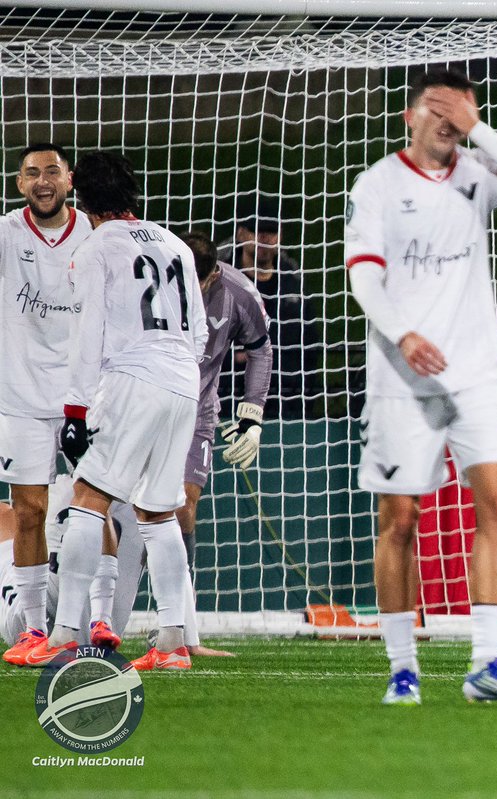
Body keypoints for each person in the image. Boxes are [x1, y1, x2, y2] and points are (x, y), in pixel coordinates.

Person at [345, 68, 497, 705]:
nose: (449, 123)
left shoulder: (476, 174)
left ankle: (487, 664)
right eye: (437, 110)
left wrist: (480, 130)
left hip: (475, 371)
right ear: (410, 116)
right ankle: (402, 668)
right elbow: (363, 277)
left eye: (460, 112)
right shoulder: (377, 184)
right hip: (401, 377)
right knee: (400, 518)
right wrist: (404, 334)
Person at [30, 150, 208, 672]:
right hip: (183, 382)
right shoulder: (175, 242)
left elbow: (88, 338)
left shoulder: (94, 250)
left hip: (133, 379)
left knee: (88, 498)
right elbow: (196, 331)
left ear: (82, 198)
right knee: (157, 510)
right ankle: (173, 642)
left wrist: (76, 410)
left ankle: (64, 634)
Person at [0, 143, 94, 667]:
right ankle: (34, 629)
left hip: (84, 394)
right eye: (32, 173)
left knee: (93, 506)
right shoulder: (7, 233)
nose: (42, 180)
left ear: (69, 179)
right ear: (19, 184)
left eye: (51, 172)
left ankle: (95, 623)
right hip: (20, 397)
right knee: (30, 511)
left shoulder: (95, 235)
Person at [172, 231, 273, 657]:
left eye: (202, 282)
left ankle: (180, 630)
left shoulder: (239, 292)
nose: (193, 290)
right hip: (139, 405)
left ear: (214, 273)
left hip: (196, 413)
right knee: (124, 515)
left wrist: (252, 414)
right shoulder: (151, 277)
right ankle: (96, 618)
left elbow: (261, 349)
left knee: (182, 508)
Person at [1, 476, 143, 655]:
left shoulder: (65, 485)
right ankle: (102, 620)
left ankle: (39, 631)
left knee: (10, 515)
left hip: (26, 619)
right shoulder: (144, 498)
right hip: (102, 634)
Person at [217, 196, 306, 417]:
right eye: (257, 229)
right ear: (241, 234)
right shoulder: (218, 274)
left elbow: (307, 338)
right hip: (226, 394)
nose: (264, 237)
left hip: (283, 398)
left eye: (271, 230)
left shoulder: (292, 278)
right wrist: (234, 357)